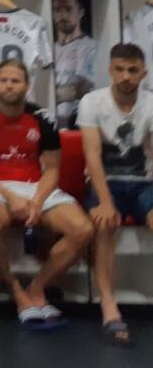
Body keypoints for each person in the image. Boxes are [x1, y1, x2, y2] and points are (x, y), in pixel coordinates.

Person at [0, 59, 94, 329]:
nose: (9, 86)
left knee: (82, 229)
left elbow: (53, 169)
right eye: (3, 80)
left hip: (35, 185)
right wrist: (11, 197)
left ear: (26, 85)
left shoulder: (44, 117)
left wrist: (36, 201)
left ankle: (37, 287)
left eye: (15, 81)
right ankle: (15, 290)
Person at [77, 43, 153, 346]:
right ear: (110, 70)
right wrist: (106, 202)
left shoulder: (151, 103)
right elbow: (92, 155)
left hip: (144, 183)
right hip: (104, 182)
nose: (125, 76)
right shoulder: (92, 102)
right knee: (105, 224)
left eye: (133, 70)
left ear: (143, 73)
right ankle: (109, 304)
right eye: (119, 69)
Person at [53, 0, 97, 128]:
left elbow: (80, 89)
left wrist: (51, 93)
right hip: (53, 121)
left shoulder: (90, 46)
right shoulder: (50, 48)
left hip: (78, 121)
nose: (63, 15)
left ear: (81, 12)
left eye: (68, 9)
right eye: (57, 10)